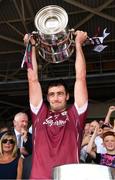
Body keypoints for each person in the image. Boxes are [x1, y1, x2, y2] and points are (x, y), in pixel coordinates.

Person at [24, 30, 88, 179]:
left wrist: (78, 44)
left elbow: (81, 78)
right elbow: (32, 79)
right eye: (52, 94)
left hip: (69, 177)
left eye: (60, 93)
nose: (56, 98)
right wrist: (30, 46)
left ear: (67, 96)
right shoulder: (39, 113)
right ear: (47, 97)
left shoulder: (76, 114)